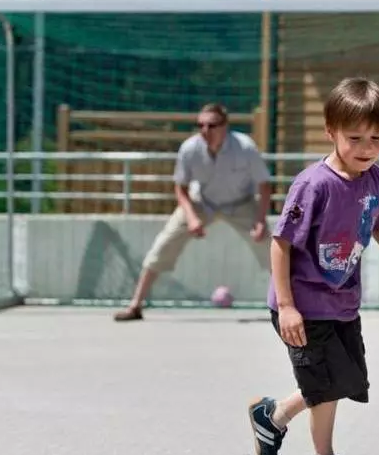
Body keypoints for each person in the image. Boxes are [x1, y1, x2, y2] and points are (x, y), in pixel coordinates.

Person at [246, 77, 379, 455]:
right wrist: (286, 306)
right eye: (355, 137)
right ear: (330, 131)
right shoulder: (314, 184)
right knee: (326, 383)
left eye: (377, 137)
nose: (367, 147)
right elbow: (281, 244)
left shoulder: (376, 181)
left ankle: (274, 417)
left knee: (346, 379)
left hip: (342, 303)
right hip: (302, 305)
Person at [113, 103, 272, 321]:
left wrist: (261, 220)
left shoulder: (245, 148)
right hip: (202, 202)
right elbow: (181, 187)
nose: (205, 130)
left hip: (241, 204)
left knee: (273, 249)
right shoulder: (189, 148)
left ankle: (292, 307)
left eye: (212, 125)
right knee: (163, 245)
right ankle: (135, 305)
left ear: (225, 126)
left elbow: (264, 185)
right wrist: (191, 217)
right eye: (200, 125)